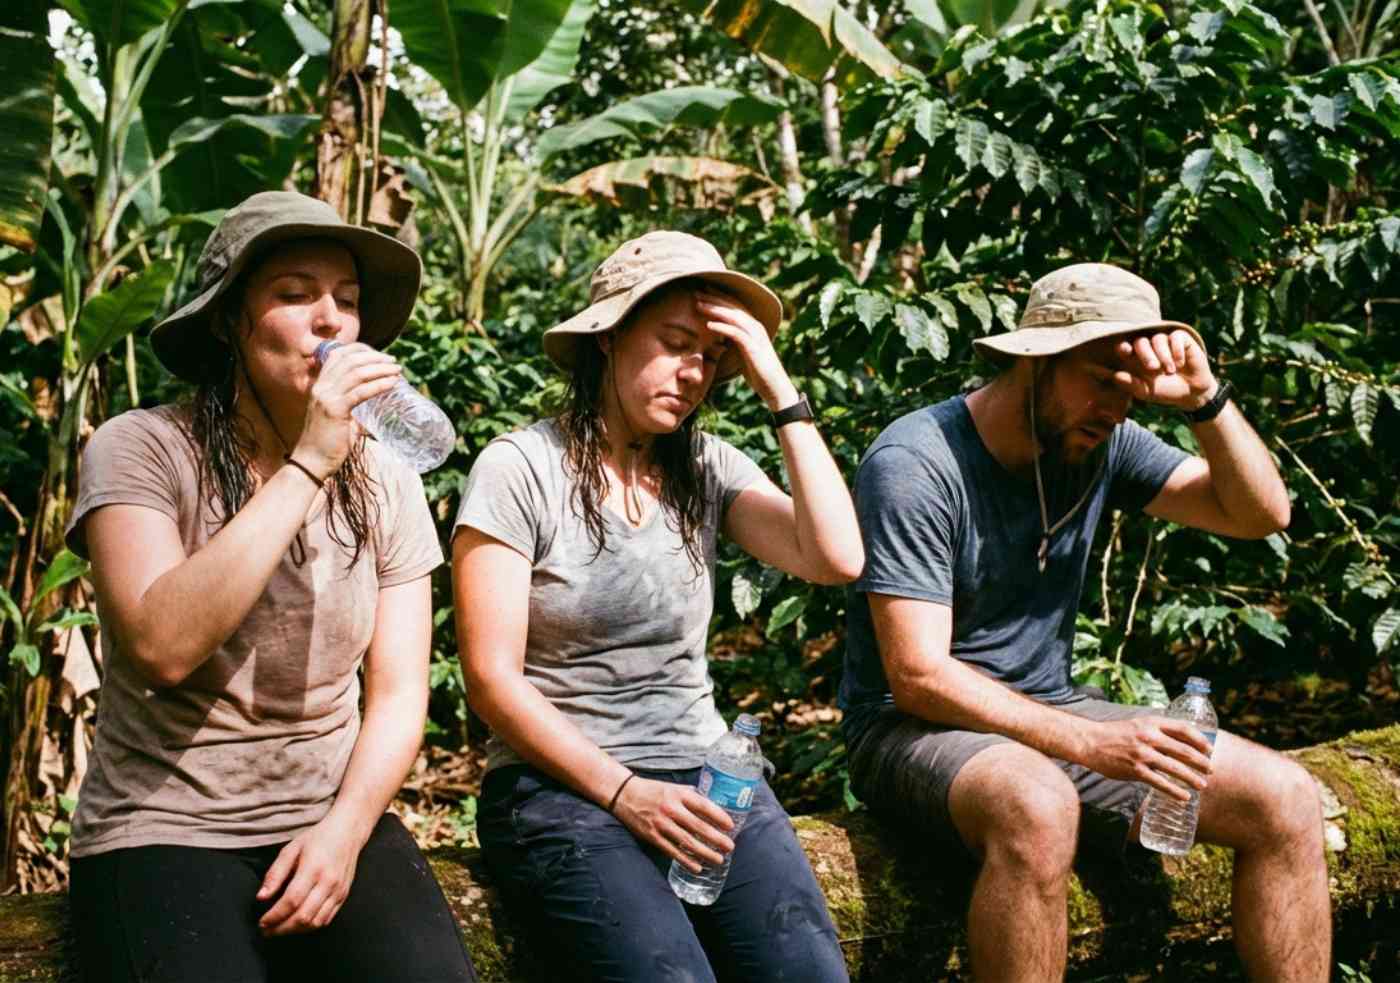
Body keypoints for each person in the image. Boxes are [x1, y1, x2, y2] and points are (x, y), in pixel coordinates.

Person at [841, 263, 1330, 981]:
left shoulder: (1101, 441)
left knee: (1284, 797)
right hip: (907, 728)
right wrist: (1092, 742)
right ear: (1036, 360)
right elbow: (917, 675)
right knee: (1038, 804)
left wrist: (1205, 400)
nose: (1119, 408)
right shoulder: (917, 462)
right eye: (1103, 380)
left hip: (1049, 710)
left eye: (1132, 389)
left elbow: (1261, 514)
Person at [65, 191, 477, 983]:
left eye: (347, 301)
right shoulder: (141, 447)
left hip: (328, 814)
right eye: (295, 293)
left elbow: (398, 692)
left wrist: (345, 831)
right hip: (164, 824)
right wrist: (310, 461)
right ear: (231, 322)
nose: (330, 320)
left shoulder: (386, 478)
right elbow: (161, 646)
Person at [452, 231, 863, 982]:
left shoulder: (704, 467)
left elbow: (835, 558)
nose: (694, 372)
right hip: (558, 789)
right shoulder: (520, 469)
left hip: (705, 774)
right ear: (608, 338)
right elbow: (489, 679)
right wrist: (626, 792)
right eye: (675, 344)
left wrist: (780, 390)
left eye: (712, 355)